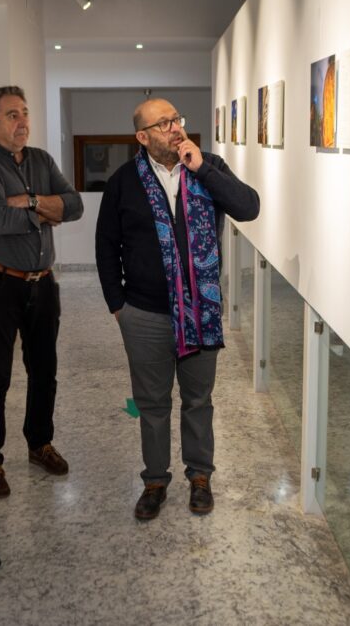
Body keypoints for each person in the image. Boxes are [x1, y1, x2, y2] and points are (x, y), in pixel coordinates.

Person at [96, 98, 260, 520]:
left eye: (177, 120)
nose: (174, 128)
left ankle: (200, 477)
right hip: (145, 314)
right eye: (163, 123)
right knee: (151, 404)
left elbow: (248, 207)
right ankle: (154, 481)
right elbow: (106, 246)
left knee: (198, 401)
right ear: (143, 137)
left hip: (201, 312)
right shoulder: (123, 182)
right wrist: (119, 306)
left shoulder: (210, 166)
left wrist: (202, 168)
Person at [0, 86, 84, 497]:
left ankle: (39, 443)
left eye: (25, 112)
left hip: (42, 283)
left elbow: (75, 205)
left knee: (44, 369)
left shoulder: (41, 160)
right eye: (12, 115)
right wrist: (47, 211)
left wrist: (29, 200)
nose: (22, 122)